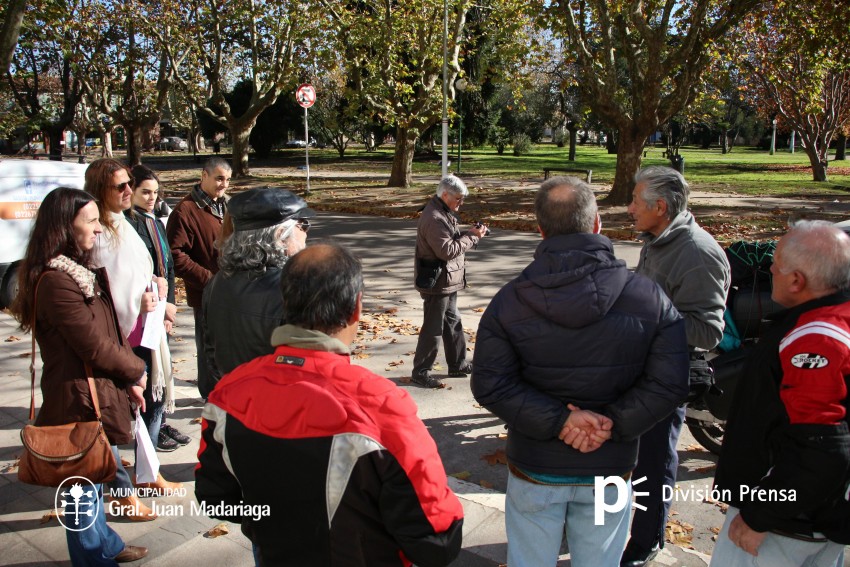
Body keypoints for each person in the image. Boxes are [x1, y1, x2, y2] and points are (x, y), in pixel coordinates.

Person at [195, 243, 464, 566]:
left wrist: (269, 522)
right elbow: (437, 538)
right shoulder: (379, 406)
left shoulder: (228, 393)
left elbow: (215, 499)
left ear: (285, 303)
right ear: (356, 309)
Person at [471, 177, 690, 567]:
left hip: (537, 468)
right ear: (596, 225)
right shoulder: (649, 298)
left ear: (541, 230)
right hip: (610, 468)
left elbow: (491, 383)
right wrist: (611, 424)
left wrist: (563, 422)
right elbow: (669, 382)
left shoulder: (508, 302)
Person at [10, 187, 149, 565]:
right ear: (64, 228)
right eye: (90, 221)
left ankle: (107, 546)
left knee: (91, 478)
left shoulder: (78, 272)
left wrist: (127, 381)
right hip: (76, 397)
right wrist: (137, 369)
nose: (99, 229)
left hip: (95, 389)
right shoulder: (57, 281)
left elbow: (106, 335)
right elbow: (94, 346)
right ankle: (93, 558)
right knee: (81, 488)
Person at [710, 221, 850, 567]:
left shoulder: (817, 339)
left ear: (797, 280)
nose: (769, 268)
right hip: (809, 516)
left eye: (776, 263)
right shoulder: (834, 319)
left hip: (788, 528)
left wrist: (762, 515)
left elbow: (824, 446)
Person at [622, 166, 730, 567]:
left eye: (635, 201)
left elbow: (707, 331)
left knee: (653, 461)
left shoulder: (698, 253)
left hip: (666, 376)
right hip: (636, 366)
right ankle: (607, 526)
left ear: (661, 207)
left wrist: (647, 318)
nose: (629, 207)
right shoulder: (656, 238)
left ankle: (648, 539)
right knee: (623, 458)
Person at [87, 159, 181, 518]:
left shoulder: (123, 222)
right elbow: (100, 288)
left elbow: (142, 268)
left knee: (144, 406)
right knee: (115, 413)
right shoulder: (99, 229)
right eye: (120, 186)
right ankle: (124, 491)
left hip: (145, 330)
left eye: (129, 183)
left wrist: (156, 290)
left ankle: (146, 472)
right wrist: (137, 301)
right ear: (99, 189)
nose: (128, 191)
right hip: (119, 336)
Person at [202, 186, 314, 386]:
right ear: (281, 234)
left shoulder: (216, 282)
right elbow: (308, 370)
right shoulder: (294, 291)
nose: (306, 233)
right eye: (302, 225)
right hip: (278, 407)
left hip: (233, 400)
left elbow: (210, 353)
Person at [126, 164, 190, 452]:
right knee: (150, 371)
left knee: (162, 369)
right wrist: (158, 307)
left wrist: (172, 305)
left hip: (162, 305)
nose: (151, 197)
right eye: (145, 192)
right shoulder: (129, 224)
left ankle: (160, 422)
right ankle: (148, 430)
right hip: (144, 311)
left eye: (155, 192)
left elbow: (169, 266)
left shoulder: (153, 220)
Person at [412, 175, 487, 388]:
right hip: (437, 282)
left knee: (452, 322)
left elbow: (449, 240)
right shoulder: (435, 217)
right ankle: (421, 371)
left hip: (446, 279)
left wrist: (469, 233)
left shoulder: (443, 212)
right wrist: (473, 237)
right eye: (458, 199)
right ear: (445, 194)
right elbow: (447, 250)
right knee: (433, 329)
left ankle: (458, 364)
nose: (460, 203)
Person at [166, 156, 230, 400]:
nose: (223, 184)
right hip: (206, 293)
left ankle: (224, 391)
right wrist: (209, 279)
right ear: (204, 176)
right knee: (209, 348)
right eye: (219, 178)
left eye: (227, 180)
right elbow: (174, 254)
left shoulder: (226, 206)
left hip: (231, 290)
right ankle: (211, 397)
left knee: (226, 345)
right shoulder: (186, 210)